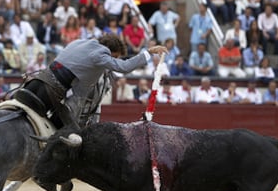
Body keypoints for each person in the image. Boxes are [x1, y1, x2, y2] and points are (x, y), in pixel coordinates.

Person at [16, 34, 168, 128]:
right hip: (50, 92)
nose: (112, 60)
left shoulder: (78, 42)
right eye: (114, 57)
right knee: (64, 130)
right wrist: (148, 52)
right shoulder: (101, 55)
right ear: (111, 52)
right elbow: (124, 67)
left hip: (35, 81)